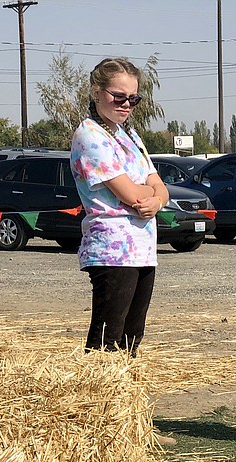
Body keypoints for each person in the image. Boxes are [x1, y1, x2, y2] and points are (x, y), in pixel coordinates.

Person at [71, 57, 169, 356]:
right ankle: (97, 398)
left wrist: (156, 197)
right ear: (96, 92)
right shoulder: (90, 136)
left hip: (142, 247)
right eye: (119, 96)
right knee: (107, 339)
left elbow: (160, 185)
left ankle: (124, 397)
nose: (126, 104)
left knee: (131, 337)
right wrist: (151, 195)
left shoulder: (128, 133)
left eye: (134, 98)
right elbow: (129, 193)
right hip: (112, 249)